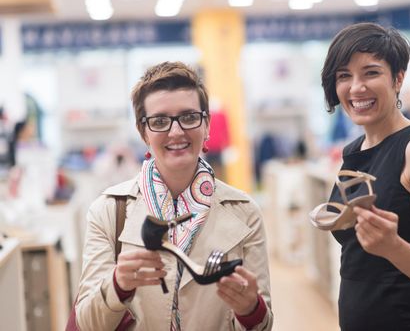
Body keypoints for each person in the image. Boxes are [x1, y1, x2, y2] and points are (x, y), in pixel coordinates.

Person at [75, 61, 273, 330]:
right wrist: (117, 286)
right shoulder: (109, 211)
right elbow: (87, 324)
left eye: (189, 117)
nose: (176, 131)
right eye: (159, 121)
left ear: (206, 125)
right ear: (143, 132)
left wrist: (251, 309)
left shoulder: (245, 212)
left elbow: (263, 324)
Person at [317, 22, 410, 330]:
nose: (356, 87)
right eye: (344, 76)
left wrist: (392, 245)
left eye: (371, 72)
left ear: (398, 79)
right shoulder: (353, 151)